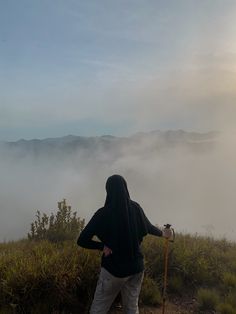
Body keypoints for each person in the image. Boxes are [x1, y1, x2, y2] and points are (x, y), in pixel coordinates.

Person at [77, 174, 172, 314]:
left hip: (113, 271)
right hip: (136, 269)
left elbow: (82, 240)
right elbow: (149, 227)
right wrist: (164, 234)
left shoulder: (102, 214)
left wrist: (102, 247)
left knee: (99, 308)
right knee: (132, 308)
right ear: (126, 188)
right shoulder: (135, 208)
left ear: (108, 191)